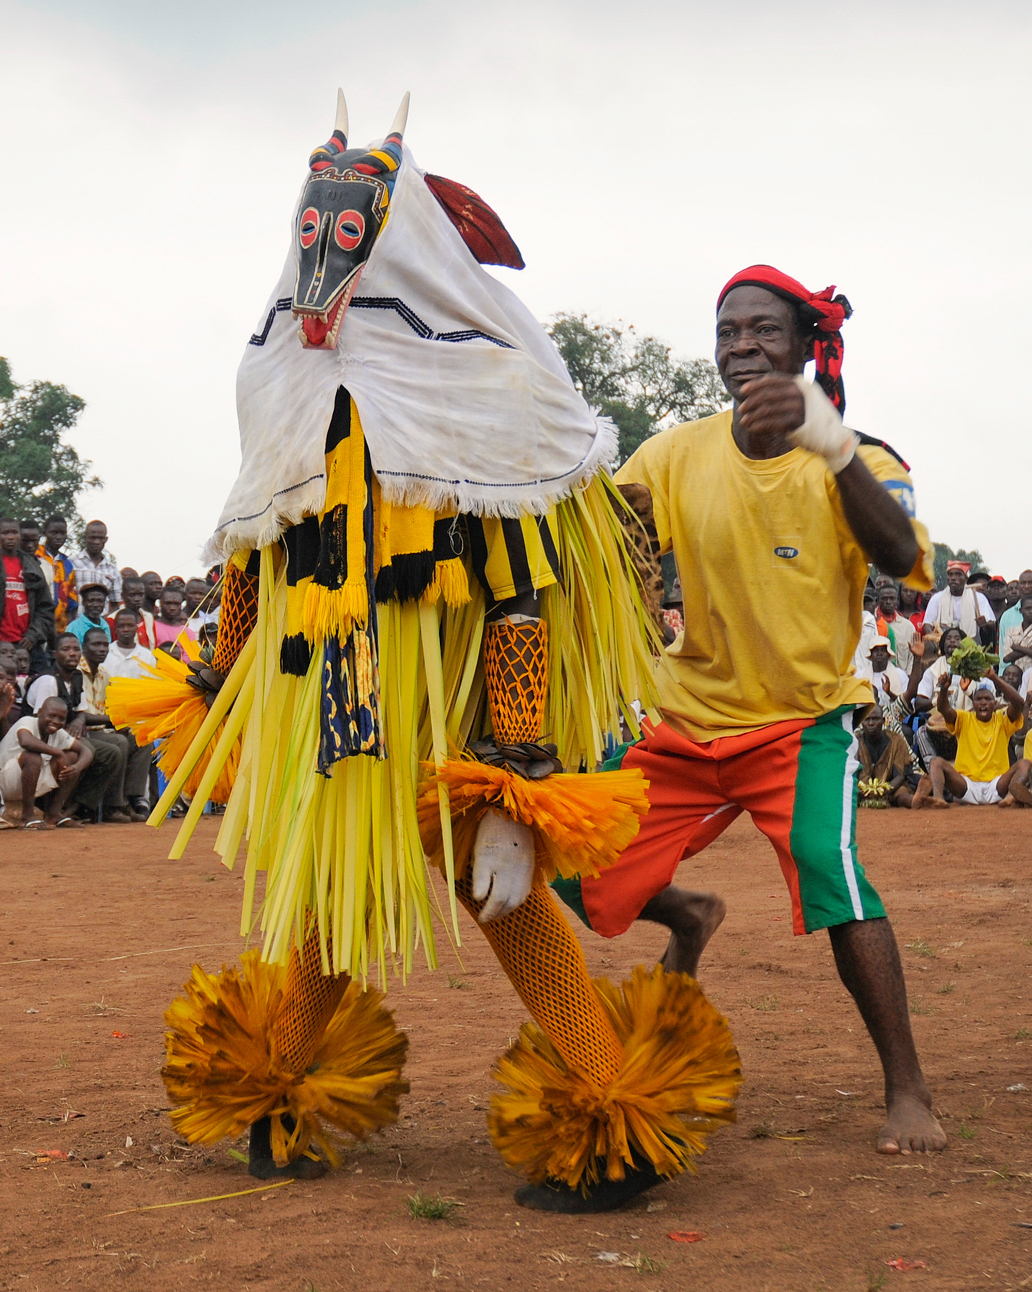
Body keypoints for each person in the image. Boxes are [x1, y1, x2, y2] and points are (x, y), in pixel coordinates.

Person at [105, 93, 725, 1216]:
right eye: (313, 233)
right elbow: (257, 543)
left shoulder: (485, 389)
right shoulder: (277, 382)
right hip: (322, 712)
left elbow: (519, 595)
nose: (321, 262)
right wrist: (219, 689)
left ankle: (609, 1111)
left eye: (348, 237)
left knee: (506, 909)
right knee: (322, 905)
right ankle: (285, 1094)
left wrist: (515, 781)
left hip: (446, 725)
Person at [554, 263, 945, 1158]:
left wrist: (833, 445)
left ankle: (909, 1089)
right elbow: (610, 545)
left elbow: (905, 561)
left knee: (830, 872)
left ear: (809, 346)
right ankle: (689, 916)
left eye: (764, 330)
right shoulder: (673, 451)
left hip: (803, 721)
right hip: (687, 720)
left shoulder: (866, 460)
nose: (742, 347)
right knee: (568, 856)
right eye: (728, 331)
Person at [25, 632, 126, 820]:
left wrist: (79, 720)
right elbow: (41, 722)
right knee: (84, 749)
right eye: (65, 649)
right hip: (39, 738)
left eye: (75, 649)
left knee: (111, 752)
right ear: (54, 654)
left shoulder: (76, 676)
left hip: (65, 734)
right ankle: (55, 808)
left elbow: (80, 711)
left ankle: (76, 807)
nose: (72, 654)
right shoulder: (48, 680)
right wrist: (69, 736)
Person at [914, 671, 1024, 807]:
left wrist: (994, 678)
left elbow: (1019, 703)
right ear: (973, 703)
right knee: (936, 762)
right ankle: (938, 798)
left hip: (997, 786)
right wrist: (944, 688)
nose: (983, 703)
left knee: (1024, 763)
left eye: (988, 699)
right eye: (979, 699)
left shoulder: (1003, 720)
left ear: (995, 703)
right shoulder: (964, 718)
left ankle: (1010, 797)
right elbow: (943, 708)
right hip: (967, 786)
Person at [78, 626, 151, 821]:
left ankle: (131, 798)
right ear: (84, 647)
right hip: (83, 732)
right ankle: (113, 805)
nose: (101, 649)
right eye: (96, 644)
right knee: (119, 742)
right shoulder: (78, 671)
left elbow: (112, 706)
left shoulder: (103, 673)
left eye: (104, 645)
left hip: (102, 730)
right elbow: (81, 716)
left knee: (141, 737)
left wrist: (122, 721)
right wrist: (115, 721)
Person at [0, 696, 94, 828]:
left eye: (61, 719)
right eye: (51, 716)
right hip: (4, 782)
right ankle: (27, 816)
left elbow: (86, 751)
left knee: (72, 757)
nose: (55, 721)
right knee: (32, 757)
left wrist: (77, 768)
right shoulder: (27, 722)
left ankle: (54, 814)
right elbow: (25, 741)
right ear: (39, 712)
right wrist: (57, 752)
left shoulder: (58, 733)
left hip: (28, 782)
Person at [0, 516, 55, 676]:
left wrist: (33, 635)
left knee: (42, 683)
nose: (10, 537)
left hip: (27, 644)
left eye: (14, 533)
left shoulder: (31, 565)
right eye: (5, 533)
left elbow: (45, 607)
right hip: (2, 642)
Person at [857, 703, 915, 808]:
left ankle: (920, 802)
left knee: (903, 796)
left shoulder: (897, 741)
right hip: (861, 791)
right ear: (862, 722)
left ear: (883, 721)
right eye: (867, 719)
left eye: (875, 719)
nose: (871, 723)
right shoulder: (855, 742)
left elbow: (900, 776)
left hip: (891, 789)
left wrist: (884, 791)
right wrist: (864, 791)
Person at [921, 561, 992, 638]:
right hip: (944, 646)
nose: (953, 578)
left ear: (966, 579)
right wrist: (936, 640)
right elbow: (927, 624)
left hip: (972, 645)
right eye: (950, 575)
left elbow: (991, 623)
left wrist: (985, 624)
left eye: (958, 575)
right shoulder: (937, 598)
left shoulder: (978, 598)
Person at [36, 514, 79, 632]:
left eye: (62, 533)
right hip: (36, 625)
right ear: (44, 533)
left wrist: (68, 630)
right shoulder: (35, 555)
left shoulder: (67, 564)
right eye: (54, 533)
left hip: (59, 630)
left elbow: (72, 603)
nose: (58, 537)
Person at [70, 520, 121, 606]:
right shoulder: (71, 563)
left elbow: (116, 604)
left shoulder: (112, 570)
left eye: (100, 538)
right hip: (76, 618)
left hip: (102, 618)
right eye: (93, 538)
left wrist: (104, 619)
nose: (96, 542)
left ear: (106, 539)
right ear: (85, 537)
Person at [104, 609, 157, 680]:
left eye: (130, 626)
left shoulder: (147, 656)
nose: (126, 629)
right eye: (121, 626)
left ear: (136, 628)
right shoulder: (105, 653)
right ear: (115, 629)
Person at [876, 583, 916, 673]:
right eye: (884, 599)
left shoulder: (908, 627)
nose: (888, 602)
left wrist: (907, 678)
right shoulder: (871, 624)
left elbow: (911, 658)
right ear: (877, 600)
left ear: (897, 600)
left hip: (901, 679)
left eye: (892, 598)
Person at [116, 574, 156, 648]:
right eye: (132, 595)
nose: (137, 599)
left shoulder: (148, 618)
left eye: (141, 595)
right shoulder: (114, 618)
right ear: (122, 596)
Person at [998, 570, 1032, 644]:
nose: (1027, 586)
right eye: (1023, 583)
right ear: (1019, 586)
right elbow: (1003, 649)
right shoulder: (1007, 616)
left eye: (1030, 582)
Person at [869, 637, 907, 702]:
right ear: (870, 654)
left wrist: (889, 692)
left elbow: (906, 703)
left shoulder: (900, 674)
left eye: (883, 650)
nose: (879, 653)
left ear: (888, 655)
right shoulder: (860, 676)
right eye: (876, 650)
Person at [153, 584, 188, 655]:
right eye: (168, 603)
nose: (172, 608)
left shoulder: (187, 633)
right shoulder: (150, 627)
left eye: (176, 604)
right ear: (160, 603)